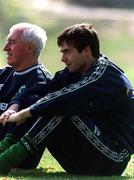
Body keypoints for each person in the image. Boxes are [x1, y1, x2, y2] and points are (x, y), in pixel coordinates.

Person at [0, 23, 134, 175]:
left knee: (59, 106)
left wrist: (26, 113)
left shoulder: (105, 75)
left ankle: (5, 162)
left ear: (86, 51)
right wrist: (16, 105)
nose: (63, 59)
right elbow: (38, 88)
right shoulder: (74, 72)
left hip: (112, 158)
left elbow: (66, 99)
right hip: (81, 160)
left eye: (67, 52)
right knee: (39, 98)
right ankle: (4, 150)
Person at [0, 22, 52, 170]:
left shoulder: (43, 82)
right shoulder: (4, 74)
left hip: (14, 157)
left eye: (12, 42)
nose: (5, 48)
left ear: (29, 47)